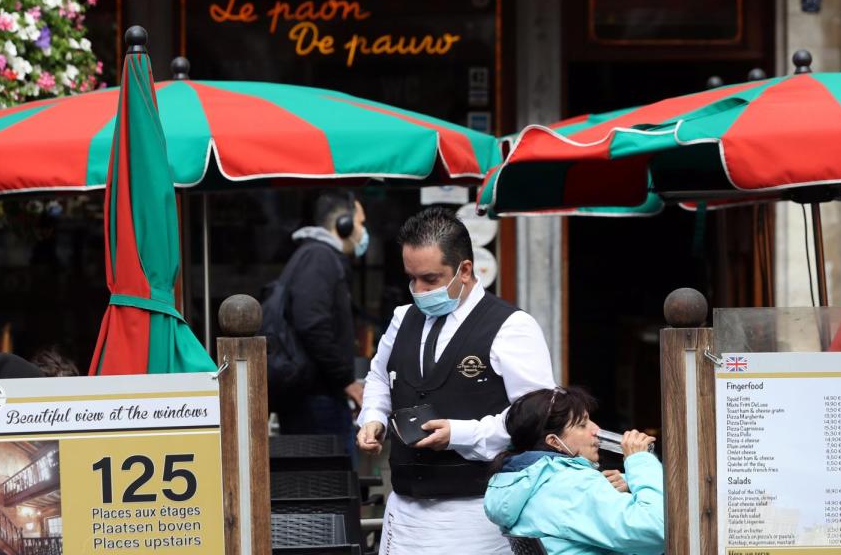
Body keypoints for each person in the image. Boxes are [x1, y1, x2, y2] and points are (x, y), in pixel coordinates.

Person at [356, 206, 556, 555]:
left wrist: (459, 434)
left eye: (430, 279)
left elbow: (535, 420)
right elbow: (378, 376)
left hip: (477, 515)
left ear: (465, 270)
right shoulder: (402, 318)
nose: (418, 290)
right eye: (411, 278)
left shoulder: (512, 327)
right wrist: (373, 417)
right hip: (403, 513)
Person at [484, 387, 665, 555]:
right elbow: (659, 530)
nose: (596, 430)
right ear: (554, 442)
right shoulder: (570, 485)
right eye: (582, 424)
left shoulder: (528, 481)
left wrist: (633, 484)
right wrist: (640, 461)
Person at [277, 190, 369, 456]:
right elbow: (312, 324)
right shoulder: (320, 258)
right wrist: (346, 380)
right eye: (360, 223)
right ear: (344, 224)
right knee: (332, 483)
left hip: (315, 394)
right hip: (317, 398)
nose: (363, 232)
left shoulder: (315, 256)